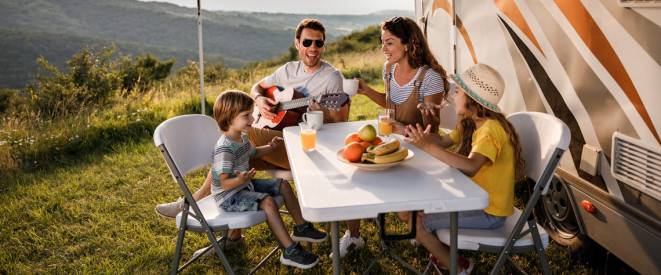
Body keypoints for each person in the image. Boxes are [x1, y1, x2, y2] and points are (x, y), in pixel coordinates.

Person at [155, 18, 345, 251]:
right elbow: (258, 87)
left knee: (238, 143)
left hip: (308, 148)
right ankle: (231, 236)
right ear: (297, 43)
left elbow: (340, 122)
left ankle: (188, 204)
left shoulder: (332, 77)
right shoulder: (287, 70)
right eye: (307, 42)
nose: (313, 48)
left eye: (319, 43)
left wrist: (323, 111)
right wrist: (260, 99)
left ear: (324, 45)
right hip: (277, 143)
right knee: (238, 159)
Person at [335, 16, 450, 258]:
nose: (383, 49)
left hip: (422, 151)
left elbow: (432, 128)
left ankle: (422, 227)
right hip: (393, 143)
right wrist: (366, 91)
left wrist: (426, 116)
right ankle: (355, 234)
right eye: (382, 42)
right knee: (354, 173)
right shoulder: (389, 69)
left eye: (389, 43)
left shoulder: (429, 78)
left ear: (407, 44)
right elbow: (389, 103)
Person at [397, 64, 525, 275]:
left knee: (415, 222)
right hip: (471, 198)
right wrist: (414, 133)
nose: (453, 97)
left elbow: (471, 166)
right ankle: (441, 249)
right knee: (410, 208)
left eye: (458, 92)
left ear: (472, 99)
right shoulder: (472, 124)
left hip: (488, 211)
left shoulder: (490, 130)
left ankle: (458, 267)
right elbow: (442, 141)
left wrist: (426, 146)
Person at [208, 90, 327, 269]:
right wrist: (240, 181)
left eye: (251, 114)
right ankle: (289, 251)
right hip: (229, 196)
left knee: (283, 185)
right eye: (246, 116)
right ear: (229, 118)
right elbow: (224, 183)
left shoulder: (242, 137)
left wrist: (270, 147)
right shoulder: (224, 149)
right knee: (268, 202)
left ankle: (302, 227)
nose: (252, 119)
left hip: (243, 185)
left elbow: (254, 153)